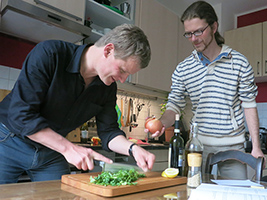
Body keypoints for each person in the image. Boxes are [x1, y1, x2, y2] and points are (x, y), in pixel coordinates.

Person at [0, 24, 155, 184]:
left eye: (127, 75)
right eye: (122, 70)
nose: (122, 79)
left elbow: (109, 131)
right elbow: (21, 116)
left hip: (50, 150)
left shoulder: (107, 87)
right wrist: (68, 149)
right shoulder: (50, 53)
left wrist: (133, 149)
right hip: (8, 141)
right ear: (108, 50)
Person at [149, 1, 265, 179]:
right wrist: (163, 123)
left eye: (198, 31)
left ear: (214, 27)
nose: (194, 38)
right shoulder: (183, 69)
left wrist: (256, 146)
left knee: (235, 196)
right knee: (195, 193)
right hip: (198, 146)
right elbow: (174, 105)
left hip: (233, 148)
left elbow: (249, 104)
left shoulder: (239, 62)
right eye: (188, 34)